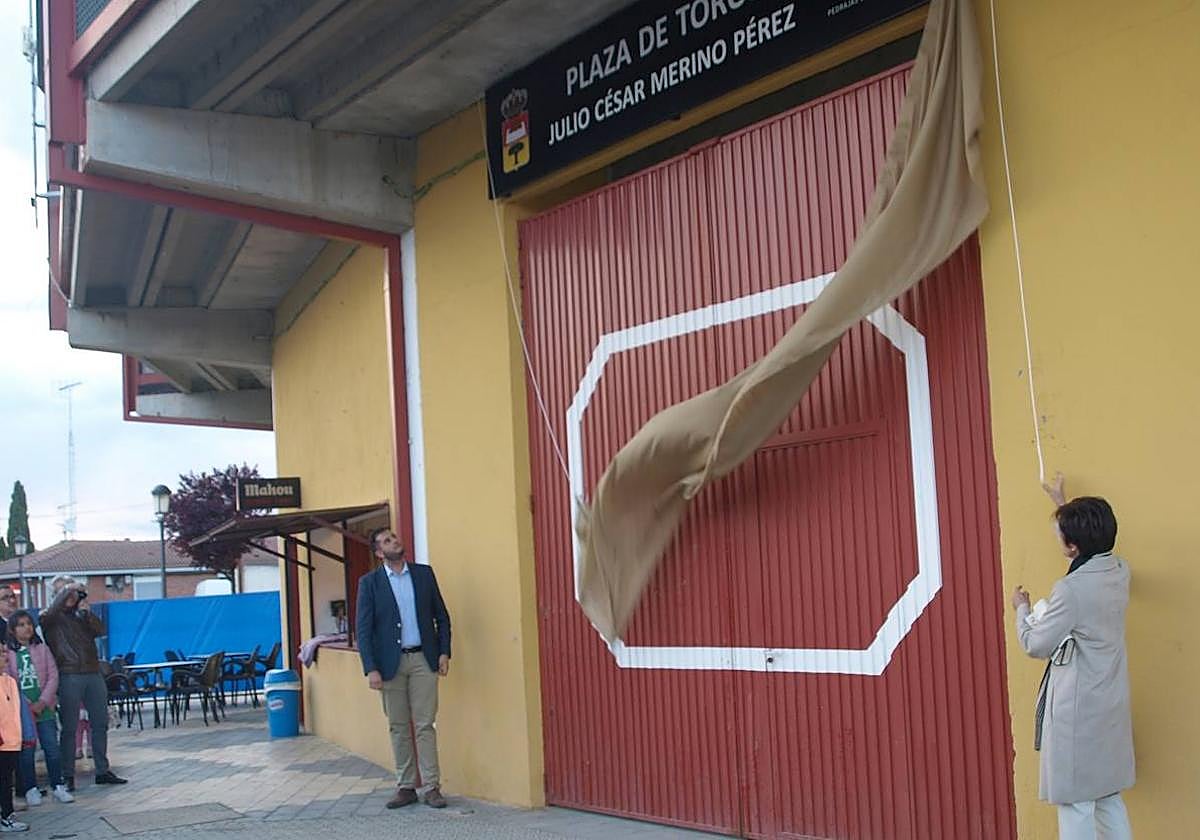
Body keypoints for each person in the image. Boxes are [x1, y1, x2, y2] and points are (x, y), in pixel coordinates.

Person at [1011, 473, 1134, 839]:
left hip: (1078, 715)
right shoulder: (1118, 570)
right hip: (1109, 704)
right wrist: (1062, 502)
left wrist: (1022, 610)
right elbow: (1090, 546)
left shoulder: (1071, 590)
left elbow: (1036, 645)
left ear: (1071, 546)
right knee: (1108, 800)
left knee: (1077, 806)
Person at [356, 527, 452, 810]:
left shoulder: (423, 575)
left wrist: (444, 652)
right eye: (387, 541)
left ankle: (432, 787)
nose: (395, 542)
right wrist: (370, 667)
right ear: (378, 552)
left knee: (425, 725)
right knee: (398, 726)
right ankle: (406, 786)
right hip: (388, 665)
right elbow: (363, 629)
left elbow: (442, 617)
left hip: (424, 659)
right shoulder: (369, 583)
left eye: (394, 537)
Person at [39, 586, 126, 791]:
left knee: (100, 723)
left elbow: (100, 630)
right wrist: (68, 591)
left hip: (92, 672)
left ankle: (102, 770)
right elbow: (51, 613)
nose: (73, 598)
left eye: (75, 595)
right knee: (69, 727)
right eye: (68, 595)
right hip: (69, 674)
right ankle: (67, 774)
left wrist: (86, 612)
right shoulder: (50, 618)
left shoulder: (81, 617)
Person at [6, 611, 72, 806]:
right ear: (12, 630)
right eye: (21, 625)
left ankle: (58, 786)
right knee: (27, 751)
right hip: (22, 711)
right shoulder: (9, 653)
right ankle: (31, 789)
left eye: (29, 623)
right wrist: (26, 705)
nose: (26, 628)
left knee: (51, 748)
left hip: (45, 708)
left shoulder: (42, 649)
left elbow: (53, 675)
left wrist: (43, 701)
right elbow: (9, 680)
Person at [0, 669, 27, 832]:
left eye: (4, 652)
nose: (4, 656)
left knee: (6, 780)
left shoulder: (10, 681)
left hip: (12, 740)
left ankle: (7, 815)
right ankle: (6, 816)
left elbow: (17, 713)